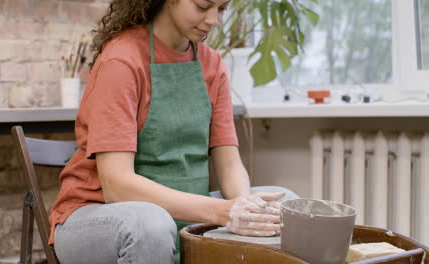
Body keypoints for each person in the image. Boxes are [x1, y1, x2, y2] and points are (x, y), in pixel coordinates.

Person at [48, 0, 299, 263]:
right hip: (100, 216)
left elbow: (229, 166)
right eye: (203, 6)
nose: (213, 19)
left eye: (222, 8)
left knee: (285, 206)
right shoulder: (121, 60)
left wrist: (247, 209)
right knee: (151, 226)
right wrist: (223, 212)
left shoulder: (211, 64)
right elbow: (117, 187)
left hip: (186, 212)